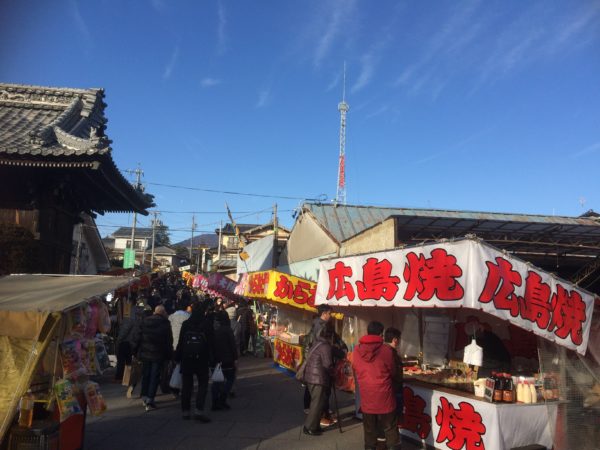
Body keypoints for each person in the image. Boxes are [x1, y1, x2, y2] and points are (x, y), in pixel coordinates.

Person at [352, 321, 400, 450]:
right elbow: (393, 371)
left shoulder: (356, 350)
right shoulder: (386, 350)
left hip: (367, 396)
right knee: (390, 428)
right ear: (380, 334)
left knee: (369, 430)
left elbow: (355, 368)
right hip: (385, 396)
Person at [175, 302, 213, 422]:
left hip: (187, 358)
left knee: (187, 385)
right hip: (202, 358)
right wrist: (213, 359)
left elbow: (180, 342)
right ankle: (198, 410)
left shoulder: (186, 324)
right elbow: (212, 343)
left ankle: (185, 411)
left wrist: (177, 357)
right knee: (203, 384)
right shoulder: (207, 324)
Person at [132, 305, 173, 411]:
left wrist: (134, 351)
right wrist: (170, 355)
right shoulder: (165, 323)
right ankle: (150, 399)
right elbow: (169, 341)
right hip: (158, 354)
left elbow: (137, 337)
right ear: (163, 312)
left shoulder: (145, 321)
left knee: (146, 375)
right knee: (154, 376)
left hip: (145, 353)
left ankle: (144, 396)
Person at [303, 305, 333, 417]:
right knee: (318, 383)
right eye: (329, 313)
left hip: (313, 355)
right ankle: (321, 411)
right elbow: (321, 342)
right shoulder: (321, 326)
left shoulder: (316, 323)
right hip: (318, 357)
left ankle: (309, 407)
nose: (330, 316)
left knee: (311, 381)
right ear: (324, 313)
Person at [303, 326, 334, 436]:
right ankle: (309, 427)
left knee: (317, 403)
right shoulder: (326, 346)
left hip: (311, 376)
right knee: (317, 404)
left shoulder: (317, 343)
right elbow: (327, 364)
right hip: (318, 378)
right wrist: (333, 373)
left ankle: (314, 425)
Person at [211, 310, 238, 410]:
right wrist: (235, 358)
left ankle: (215, 402)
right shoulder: (227, 329)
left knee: (217, 381)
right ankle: (222, 398)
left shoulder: (214, 329)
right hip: (227, 359)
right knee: (230, 379)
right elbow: (233, 345)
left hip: (216, 359)